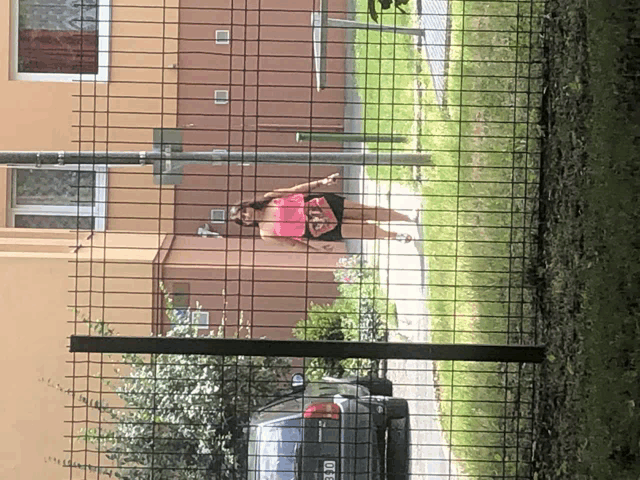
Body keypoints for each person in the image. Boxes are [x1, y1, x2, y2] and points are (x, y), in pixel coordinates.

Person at [228, 173, 415, 252]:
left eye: (244, 212)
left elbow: (296, 190)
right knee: (362, 231)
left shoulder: (270, 198)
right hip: (319, 229)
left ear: (248, 206)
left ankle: (407, 218)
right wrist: (316, 249)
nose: (247, 216)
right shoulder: (265, 233)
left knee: (366, 212)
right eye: (243, 219)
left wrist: (322, 182)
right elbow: (293, 244)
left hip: (320, 204)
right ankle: (395, 236)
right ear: (245, 224)